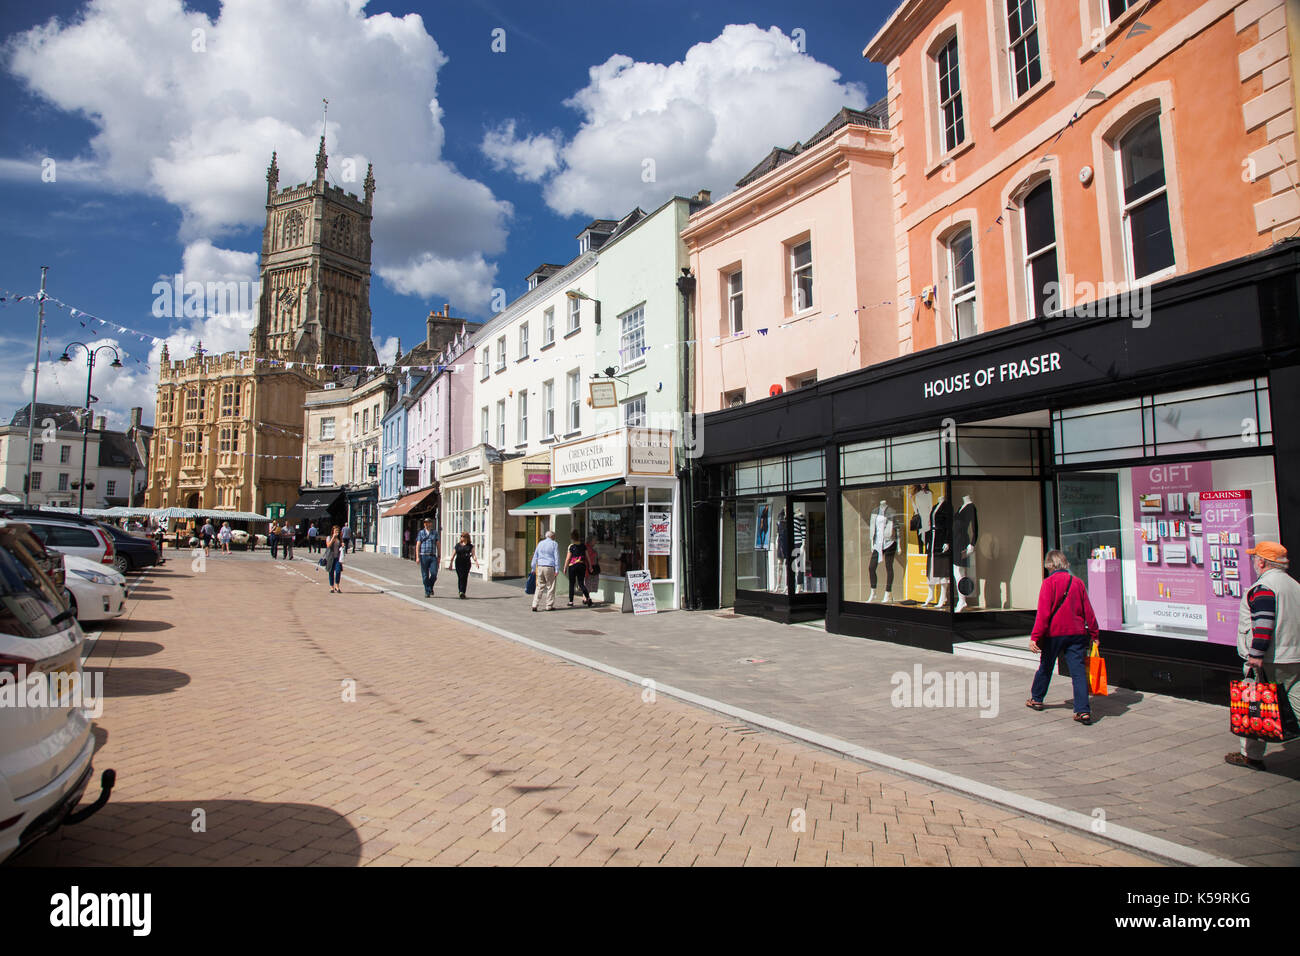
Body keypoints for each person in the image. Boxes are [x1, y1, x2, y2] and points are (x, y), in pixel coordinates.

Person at [1226, 542, 1300, 771]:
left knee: (1252, 705)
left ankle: (1250, 755)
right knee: (1297, 700)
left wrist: (1256, 654)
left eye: (1255, 558)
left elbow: (1264, 623)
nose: (1254, 563)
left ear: (1262, 562)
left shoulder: (1264, 588)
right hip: (1294, 655)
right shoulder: (1294, 585)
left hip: (1269, 659)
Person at [1027, 550, 1101, 724]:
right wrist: (1095, 633)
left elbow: (1043, 614)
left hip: (1054, 634)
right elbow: (1088, 611)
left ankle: (1037, 698)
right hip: (1076, 634)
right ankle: (1083, 710)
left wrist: (1035, 637)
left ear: (1050, 565)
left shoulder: (1048, 583)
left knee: (1046, 666)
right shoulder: (1077, 583)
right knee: (1078, 672)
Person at [530, 530, 559, 612]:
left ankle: (534, 604)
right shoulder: (554, 544)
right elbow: (556, 557)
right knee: (550, 587)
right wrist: (557, 569)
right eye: (554, 536)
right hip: (549, 566)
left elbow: (535, 555)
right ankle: (549, 605)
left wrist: (533, 567)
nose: (554, 537)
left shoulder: (540, 543)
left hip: (540, 566)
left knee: (539, 586)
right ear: (552, 536)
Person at [565, 530, 593, 607]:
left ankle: (571, 601)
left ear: (572, 538)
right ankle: (588, 598)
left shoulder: (571, 546)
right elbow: (587, 557)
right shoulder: (583, 546)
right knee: (581, 583)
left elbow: (568, 558)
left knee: (572, 584)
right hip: (581, 565)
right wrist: (590, 566)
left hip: (572, 566)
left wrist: (565, 567)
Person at [416, 518, 439, 597]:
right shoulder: (421, 533)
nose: (426, 524)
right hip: (423, 555)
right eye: (425, 523)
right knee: (425, 575)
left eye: (428, 522)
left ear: (431, 524)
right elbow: (418, 544)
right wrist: (417, 557)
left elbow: (438, 544)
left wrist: (439, 555)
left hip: (432, 555)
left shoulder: (434, 533)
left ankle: (430, 586)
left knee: (434, 574)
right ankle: (427, 591)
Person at [452, 532, 476, 599]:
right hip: (458, 563)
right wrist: (451, 563)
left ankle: (462, 592)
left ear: (467, 537)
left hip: (467, 563)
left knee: (464, 577)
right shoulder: (457, 545)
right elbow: (453, 554)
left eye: (464, 536)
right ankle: (461, 591)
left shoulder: (470, 546)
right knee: (460, 577)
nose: (462, 537)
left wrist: (476, 562)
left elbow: (473, 555)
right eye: (461, 536)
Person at [324, 525, 344, 593]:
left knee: (338, 571)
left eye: (338, 531)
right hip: (330, 557)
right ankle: (332, 587)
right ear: (333, 531)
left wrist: (342, 544)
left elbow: (341, 546)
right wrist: (333, 537)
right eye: (335, 531)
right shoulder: (329, 537)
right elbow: (328, 545)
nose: (337, 532)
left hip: (337, 558)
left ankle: (337, 586)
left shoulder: (339, 538)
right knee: (331, 572)